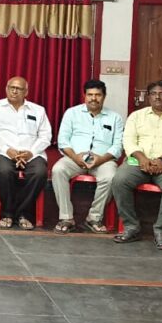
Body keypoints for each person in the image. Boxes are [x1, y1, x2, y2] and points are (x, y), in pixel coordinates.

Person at [111, 80, 162, 250]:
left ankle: (161, 231)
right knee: (119, 180)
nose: (158, 97)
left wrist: (161, 160)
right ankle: (131, 227)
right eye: (154, 93)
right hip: (138, 162)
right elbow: (128, 140)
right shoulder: (136, 116)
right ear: (148, 97)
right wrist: (142, 158)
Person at [50, 79, 124, 234]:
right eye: (90, 95)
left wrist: (100, 159)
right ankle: (66, 218)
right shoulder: (72, 113)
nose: (93, 98)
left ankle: (94, 218)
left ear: (104, 96)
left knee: (111, 176)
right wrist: (75, 157)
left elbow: (118, 146)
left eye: (98, 95)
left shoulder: (115, 117)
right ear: (84, 96)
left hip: (103, 160)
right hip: (74, 158)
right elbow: (63, 141)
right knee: (58, 170)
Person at [0, 77, 51, 230]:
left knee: (39, 172)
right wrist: (7, 150)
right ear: (6, 89)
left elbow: (45, 136)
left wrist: (31, 152)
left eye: (19, 89)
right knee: (5, 170)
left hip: (31, 153)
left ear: (26, 92)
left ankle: (23, 213)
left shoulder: (38, 110)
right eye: (11, 87)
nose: (14, 91)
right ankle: (7, 213)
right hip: (2, 151)